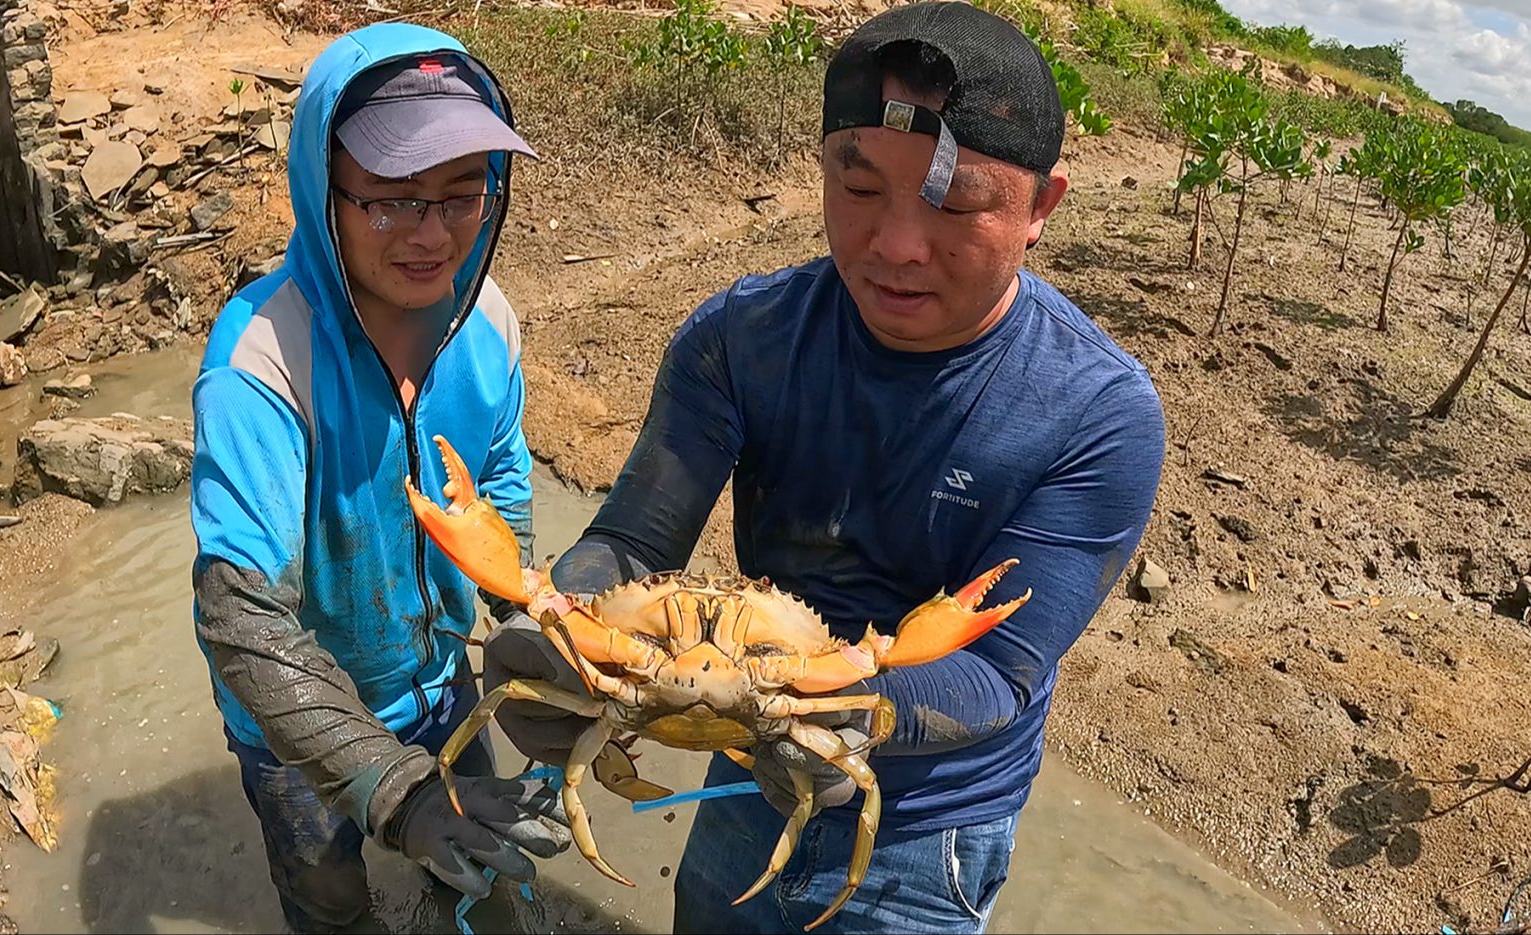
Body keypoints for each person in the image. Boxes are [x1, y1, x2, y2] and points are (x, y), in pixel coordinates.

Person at [476, 3, 1167, 933]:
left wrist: (843, 700)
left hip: (926, 830)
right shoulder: (740, 339)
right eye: (861, 186)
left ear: (1041, 207)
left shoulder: (1098, 413)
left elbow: (999, 672)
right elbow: (633, 538)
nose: (895, 245)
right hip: (747, 753)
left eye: (955, 204)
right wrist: (562, 618)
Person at [188, 23, 572, 934]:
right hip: (296, 722)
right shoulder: (262, 361)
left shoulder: (488, 324)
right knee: (330, 904)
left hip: (443, 686)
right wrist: (394, 789)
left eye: (459, 194)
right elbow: (239, 615)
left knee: (488, 881)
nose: (431, 234)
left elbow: (503, 485)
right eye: (391, 201)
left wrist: (522, 622)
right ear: (326, 192)